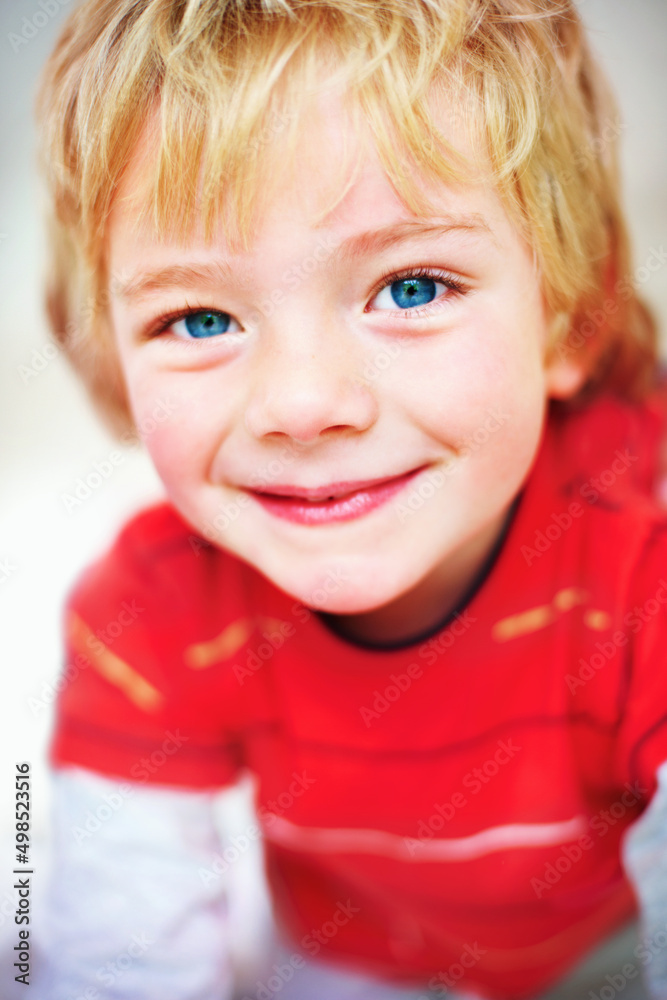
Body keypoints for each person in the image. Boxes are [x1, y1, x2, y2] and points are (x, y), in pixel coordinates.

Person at [33, 0, 667, 997]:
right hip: (344, 960)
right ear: (112, 365)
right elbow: (115, 967)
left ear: (569, 321)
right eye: (199, 316)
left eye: (410, 288)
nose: (302, 403)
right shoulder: (151, 617)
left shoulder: (643, 560)